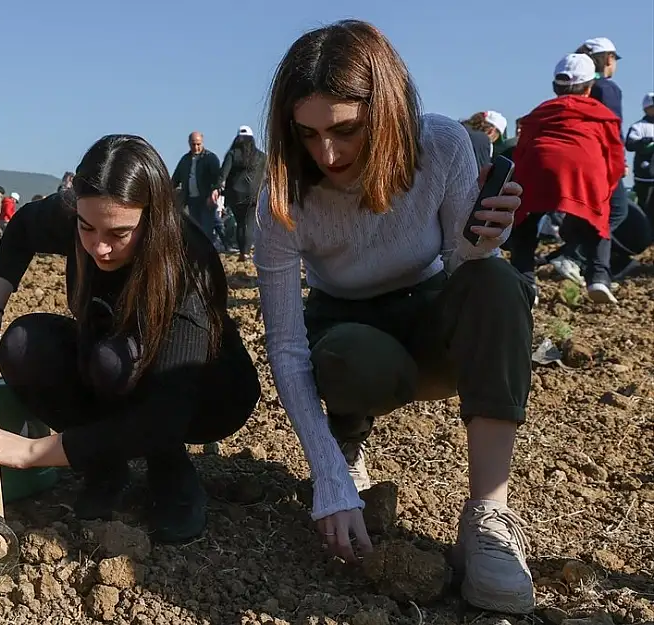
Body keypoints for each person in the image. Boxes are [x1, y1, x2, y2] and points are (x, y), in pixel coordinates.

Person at [254, 20, 534, 614]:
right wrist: (326, 475)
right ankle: (348, 444)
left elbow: (462, 266)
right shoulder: (283, 195)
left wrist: (483, 245)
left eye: (346, 130)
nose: (326, 154)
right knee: (343, 355)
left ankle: (489, 515)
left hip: (429, 311)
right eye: (306, 135)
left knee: (497, 282)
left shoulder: (440, 146)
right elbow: (285, 343)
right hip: (349, 329)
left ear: (385, 113)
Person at [0, 135, 261, 543]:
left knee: (125, 377)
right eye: (88, 228)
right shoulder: (81, 215)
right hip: (114, 360)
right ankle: (105, 463)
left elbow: (166, 412)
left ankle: (168, 465)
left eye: (119, 233)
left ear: (152, 220)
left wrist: (32, 452)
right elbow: (24, 227)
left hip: (202, 394)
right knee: (24, 347)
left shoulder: (188, 266)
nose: (99, 247)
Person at [507, 54, 625, 304]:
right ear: (590, 88)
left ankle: (525, 282)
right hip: (585, 168)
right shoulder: (601, 114)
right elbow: (614, 154)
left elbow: (523, 146)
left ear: (554, 87)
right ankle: (599, 279)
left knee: (525, 222)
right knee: (598, 219)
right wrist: (606, 187)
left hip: (538, 165)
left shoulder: (540, 112)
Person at [219, 125, 267, 261]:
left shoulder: (232, 155)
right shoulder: (261, 157)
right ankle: (246, 251)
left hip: (235, 195)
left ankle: (242, 252)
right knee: (250, 223)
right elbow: (268, 174)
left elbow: (223, 174)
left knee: (240, 223)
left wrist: (217, 187)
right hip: (254, 194)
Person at [171, 132, 222, 237]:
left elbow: (217, 178)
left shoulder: (210, 158)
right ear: (189, 143)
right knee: (197, 229)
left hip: (206, 199)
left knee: (208, 229)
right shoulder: (185, 160)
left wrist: (214, 191)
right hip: (192, 200)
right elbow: (175, 178)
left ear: (202, 143)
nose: (196, 147)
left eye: (198, 144)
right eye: (193, 144)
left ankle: (228, 245)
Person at [626, 93, 654, 213]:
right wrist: (642, 142)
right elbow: (630, 144)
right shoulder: (639, 126)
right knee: (646, 207)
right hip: (645, 177)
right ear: (647, 108)